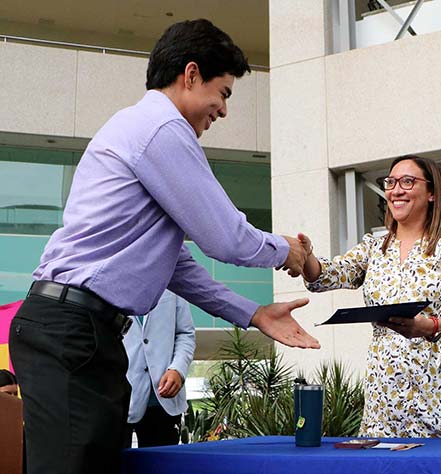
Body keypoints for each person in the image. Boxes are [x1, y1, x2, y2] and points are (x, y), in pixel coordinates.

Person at [9, 19, 319, 474]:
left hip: (82, 334)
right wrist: (288, 250)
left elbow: (177, 265)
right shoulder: (161, 130)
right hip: (73, 331)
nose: (224, 111)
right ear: (190, 75)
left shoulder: (141, 130)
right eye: (225, 93)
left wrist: (252, 313)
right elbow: (225, 236)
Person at [300, 156, 441, 438]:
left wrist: (430, 327)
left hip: (440, 396)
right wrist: (305, 256)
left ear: (432, 192)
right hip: (385, 399)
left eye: (408, 181)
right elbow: (329, 274)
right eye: (390, 182)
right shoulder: (374, 248)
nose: (396, 190)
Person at [124, 291, 195, 448]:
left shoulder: (172, 279)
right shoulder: (107, 278)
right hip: (118, 398)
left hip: (163, 400)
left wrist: (178, 369)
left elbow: (185, 333)